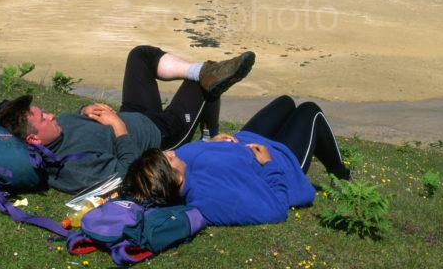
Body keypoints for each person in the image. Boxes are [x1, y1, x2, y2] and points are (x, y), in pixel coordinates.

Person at [0, 45, 255, 193]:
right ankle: (210, 140)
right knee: (203, 83)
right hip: (162, 132)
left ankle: (205, 71)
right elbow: (124, 174)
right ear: (34, 139)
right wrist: (119, 127)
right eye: (43, 117)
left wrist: (86, 109)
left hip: (134, 113)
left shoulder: (56, 129)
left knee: (139, 56)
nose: (51, 114)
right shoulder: (69, 167)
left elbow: (78, 119)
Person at [122, 95, 350, 226]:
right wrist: (268, 164)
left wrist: (211, 143)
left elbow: (192, 155)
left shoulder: (178, 166)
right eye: (168, 158)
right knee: (310, 111)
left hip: (246, 140)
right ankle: (342, 177)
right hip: (282, 160)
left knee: (285, 102)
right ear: (177, 178)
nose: (172, 153)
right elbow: (276, 210)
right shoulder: (211, 198)